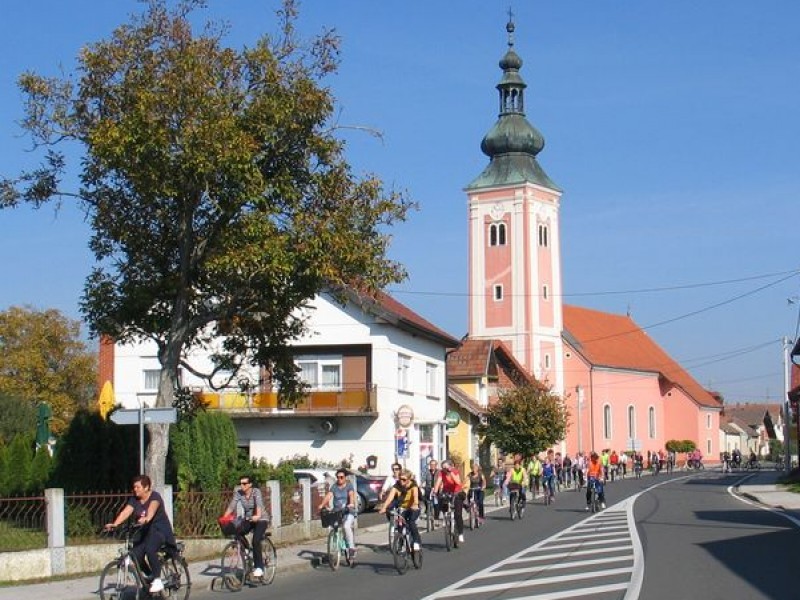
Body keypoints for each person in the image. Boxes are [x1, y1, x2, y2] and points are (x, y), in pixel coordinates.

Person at [104, 474, 177, 594]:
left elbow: (152, 509)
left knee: (150, 549)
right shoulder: (134, 499)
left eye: (138, 487)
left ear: (146, 487)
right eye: (134, 487)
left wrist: (147, 518)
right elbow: (126, 512)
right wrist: (115, 524)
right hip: (146, 532)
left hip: (159, 530)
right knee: (136, 554)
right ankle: (150, 576)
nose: (135, 489)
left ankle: (157, 580)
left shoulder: (155, 497)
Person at [221, 474, 269, 578]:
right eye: (240, 483)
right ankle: (246, 549)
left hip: (261, 519)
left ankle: (259, 568)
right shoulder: (239, 493)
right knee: (237, 531)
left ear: (250, 484)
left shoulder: (256, 492)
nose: (242, 485)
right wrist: (224, 518)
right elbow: (231, 506)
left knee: (256, 540)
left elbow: (259, 506)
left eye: (244, 483)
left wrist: (257, 516)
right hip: (249, 519)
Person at [318, 468, 358, 560]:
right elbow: (329, 496)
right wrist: (322, 504)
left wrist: (351, 503)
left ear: (345, 477)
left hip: (348, 511)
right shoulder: (334, 486)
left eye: (341, 477)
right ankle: (336, 545)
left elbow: (351, 495)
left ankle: (351, 548)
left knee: (346, 526)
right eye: (338, 477)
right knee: (333, 526)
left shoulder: (349, 486)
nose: (339, 479)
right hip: (337, 511)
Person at [379, 469, 421, 551]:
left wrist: (415, 504)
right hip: (402, 508)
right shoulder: (396, 486)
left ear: (409, 479)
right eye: (400, 479)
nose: (401, 481)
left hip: (413, 508)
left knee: (411, 522)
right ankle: (401, 544)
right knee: (400, 526)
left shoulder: (413, 486)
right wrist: (384, 508)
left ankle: (416, 542)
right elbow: (389, 498)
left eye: (404, 479)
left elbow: (415, 497)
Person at [433, 459, 466, 543]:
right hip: (447, 492)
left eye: (446, 468)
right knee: (441, 501)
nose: (444, 469)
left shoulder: (454, 471)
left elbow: (458, 482)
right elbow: (438, 483)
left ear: (450, 467)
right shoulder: (441, 473)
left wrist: (450, 472)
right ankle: (445, 517)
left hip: (457, 492)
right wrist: (435, 492)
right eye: (443, 468)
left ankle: (460, 533)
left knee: (458, 514)